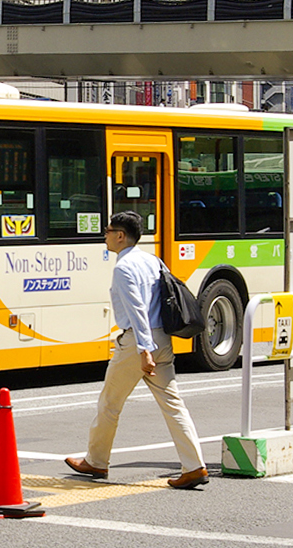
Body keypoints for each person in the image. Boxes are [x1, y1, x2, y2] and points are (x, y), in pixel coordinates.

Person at [65, 210, 209, 490]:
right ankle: (194, 466)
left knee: (109, 402)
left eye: (108, 231)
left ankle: (96, 461)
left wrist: (144, 350)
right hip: (164, 341)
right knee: (173, 404)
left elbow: (137, 311)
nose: (104, 235)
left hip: (138, 344)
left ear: (120, 236)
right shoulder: (153, 260)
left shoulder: (123, 268)